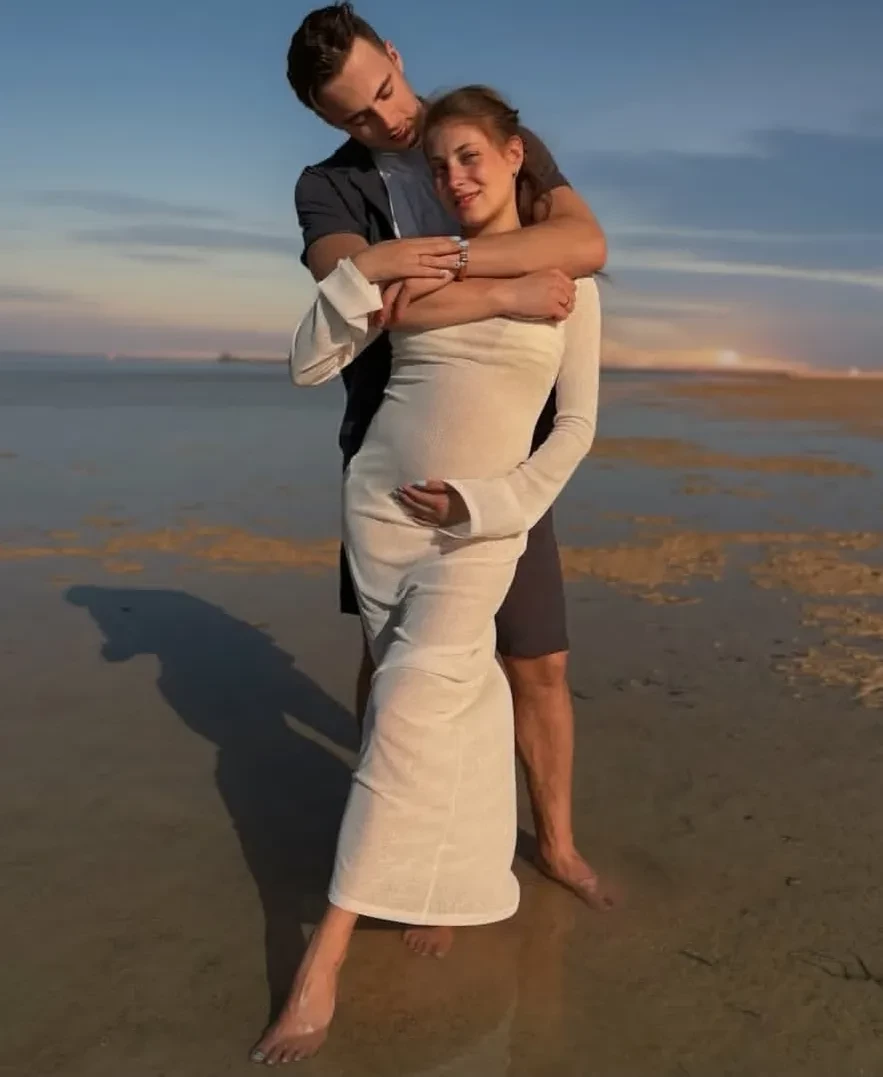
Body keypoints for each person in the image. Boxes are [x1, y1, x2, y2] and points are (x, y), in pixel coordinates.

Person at [250, 84, 601, 1065]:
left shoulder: (573, 282)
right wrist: (385, 272)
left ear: (515, 156)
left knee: (408, 703)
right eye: (439, 166)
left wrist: (487, 507)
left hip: (476, 532)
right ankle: (444, 879)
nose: (452, 178)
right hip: (381, 512)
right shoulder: (424, 260)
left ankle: (321, 958)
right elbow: (309, 359)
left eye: (469, 158)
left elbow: (575, 429)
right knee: (455, 705)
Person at [285, 2, 613, 925]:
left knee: (535, 658)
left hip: (506, 447)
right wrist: (502, 281)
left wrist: (430, 267)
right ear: (323, 119)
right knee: (392, 662)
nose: (387, 119)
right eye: (356, 114)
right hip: (392, 451)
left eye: (386, 90)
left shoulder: (483, 132)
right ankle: (391, 840)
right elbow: (368, 305)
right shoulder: (326, 188)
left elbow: (583, 248)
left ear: (395, 55)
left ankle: (554, 842)